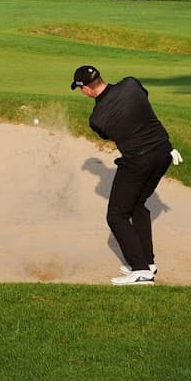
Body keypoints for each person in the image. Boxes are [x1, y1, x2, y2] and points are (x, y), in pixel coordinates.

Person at [71, 64, 180, 285]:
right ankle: (147, 262)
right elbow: (143, 99)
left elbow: (106, 133)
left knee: (116, 215)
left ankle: (141, 271)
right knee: (138, 204)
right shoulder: (131, 84)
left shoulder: (97, 118)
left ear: (86, 89)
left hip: (138, 161)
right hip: (164, 153)